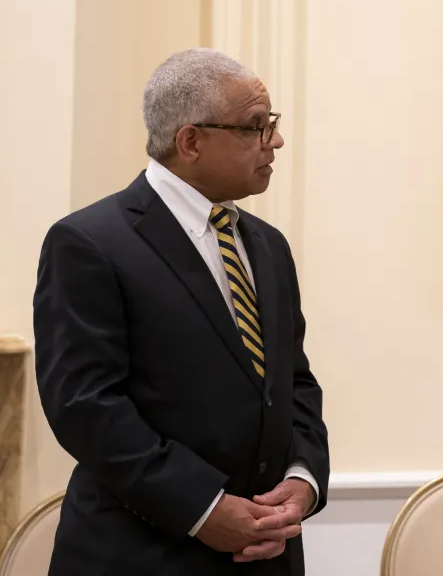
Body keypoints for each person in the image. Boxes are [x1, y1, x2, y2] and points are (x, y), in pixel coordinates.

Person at [33, 48, 329, 575]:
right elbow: (86, 407)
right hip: (142, 552)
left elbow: (294, 383)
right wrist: (204, 508)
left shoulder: (267, 246)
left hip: (266, 555)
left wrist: (303, 480)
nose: (275, 141)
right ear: (190, 141)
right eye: (255, 127)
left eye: (272, 124)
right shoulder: (88, 242)